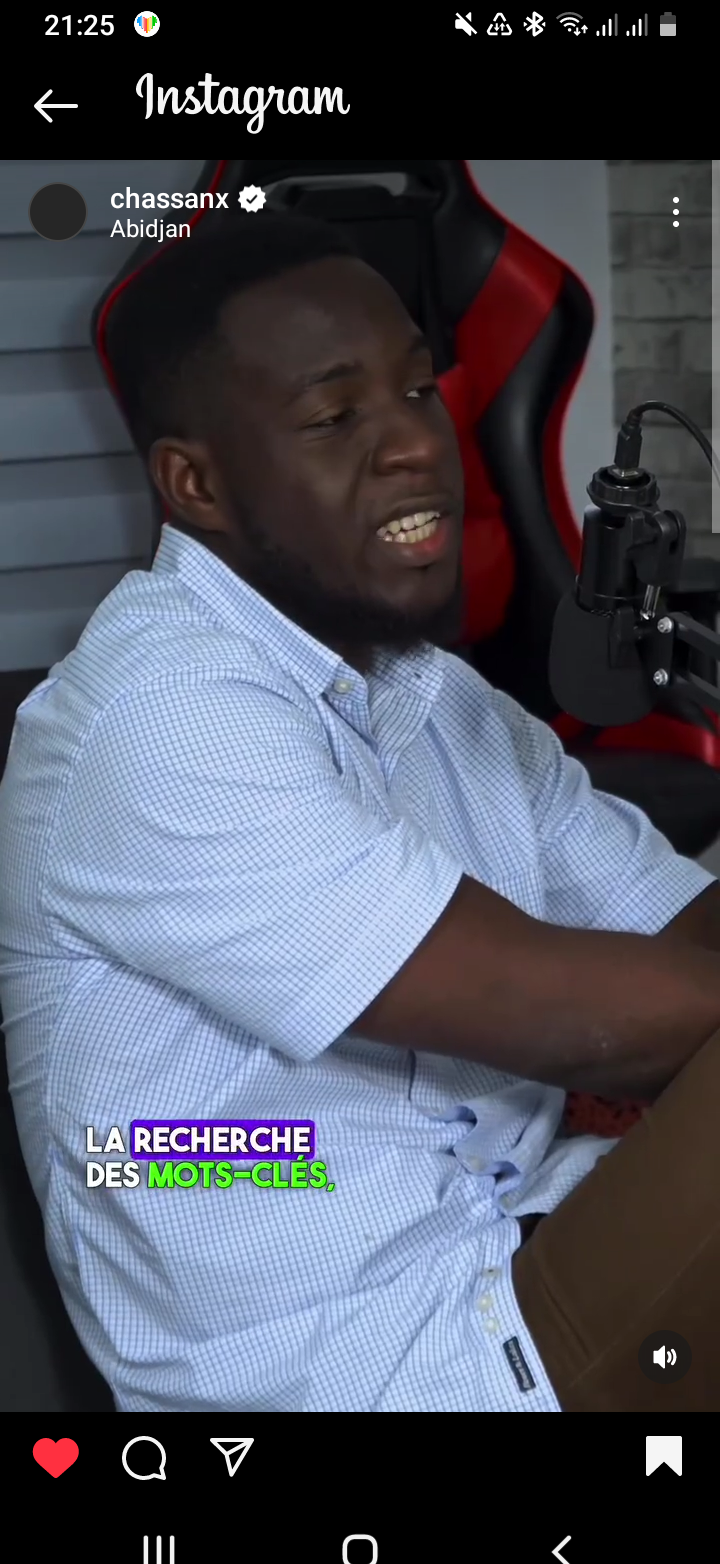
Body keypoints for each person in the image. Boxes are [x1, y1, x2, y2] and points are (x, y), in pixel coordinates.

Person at [2, 210, 720, 1414]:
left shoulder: (443, 703)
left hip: (530, 1243)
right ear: (196, 483)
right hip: (382, 1365)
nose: (415, 446)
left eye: (419, 391)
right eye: (337, 417)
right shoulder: (156, 716)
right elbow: (575, 1017)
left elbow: (677, 929)